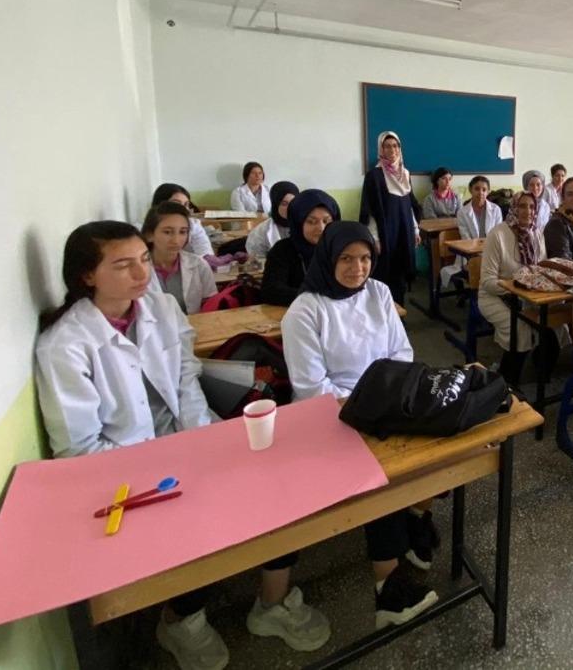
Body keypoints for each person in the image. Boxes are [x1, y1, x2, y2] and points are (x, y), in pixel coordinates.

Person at [36, 222, 331, 669]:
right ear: (87, 275)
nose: (142, 273)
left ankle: (272, 603)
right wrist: (167, 463)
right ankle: (181, 619)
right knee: (193, 525)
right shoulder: (65, 344)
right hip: (127, 472)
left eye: (142, 259)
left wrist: (203, 437)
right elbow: (79, 451)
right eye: (123, 265)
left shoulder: (160, 307)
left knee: (275, 489)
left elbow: (185, 377)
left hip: (189, 437)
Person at [277, 221, 439, 629]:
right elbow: (312, 388)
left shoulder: (379, 292)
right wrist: (366, 407)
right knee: (377, 476)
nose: (358, 268)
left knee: (434, 449)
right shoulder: (305, 311)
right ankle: (388, 588)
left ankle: (416, 520)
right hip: (330, 417)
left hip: (385, 400)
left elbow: (401, 351)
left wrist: (388, 397)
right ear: (328, 259)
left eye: (366, 258)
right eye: (347, 258)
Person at [479, 191, 546, 387]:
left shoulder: (536, 233)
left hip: (527, 296)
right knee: (520, 329)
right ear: (514, 208)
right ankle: (507, 382)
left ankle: (540, 375)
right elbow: (487, 281)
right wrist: (515, 287)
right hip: (494, 296)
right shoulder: (498, 234)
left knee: (555, 324)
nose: (528, 211)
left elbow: (541, 269)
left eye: (532, 207)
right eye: (522, 206)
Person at [360, 131, 420, 305]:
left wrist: (415, 230)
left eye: (395, 146)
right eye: (387, 146)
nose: (392, 150)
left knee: (400, 275)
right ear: (381, 149)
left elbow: (410, 205)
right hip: (385, 233)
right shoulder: (374, 176)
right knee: (384, 274)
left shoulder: (405, 174)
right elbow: (370, 210)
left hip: (404, 231)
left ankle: (399, 313)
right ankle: (383, 312)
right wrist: (375, 238)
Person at [260, 189, 340, 306]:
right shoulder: (282, 250)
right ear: (298, 223)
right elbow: (271, 292)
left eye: (326, 221)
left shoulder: (341, 248)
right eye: (311, 222)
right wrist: (318, 298)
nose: (321, 228)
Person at [142, 202, 218, 314]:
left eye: (183, 232)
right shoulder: (138, 269)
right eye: (167, 232)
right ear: (149, 235)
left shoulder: (199, 265)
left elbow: (211, 305)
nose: (176, 240)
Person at [151, 183, 215, 260]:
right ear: (160, 205)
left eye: (186, 204)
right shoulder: (150, 227)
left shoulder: (193, 225)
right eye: (176, 204)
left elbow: (207, 255)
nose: (183, 209)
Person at [246, 180, 299, 259]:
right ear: (275, 205)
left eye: (293, 202)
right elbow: (258, 261)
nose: (289, 208)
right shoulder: (260, 233)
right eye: (284, 204)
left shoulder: (307, 226)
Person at [457, 175, 503, 240]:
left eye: (484, 190)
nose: (480, 193)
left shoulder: (496, 209)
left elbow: (498, 234)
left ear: (488, 192)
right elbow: (465, 237)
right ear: (470, 190)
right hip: (470, 245)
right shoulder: (462, 213)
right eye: (477, 189)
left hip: (492, 245)